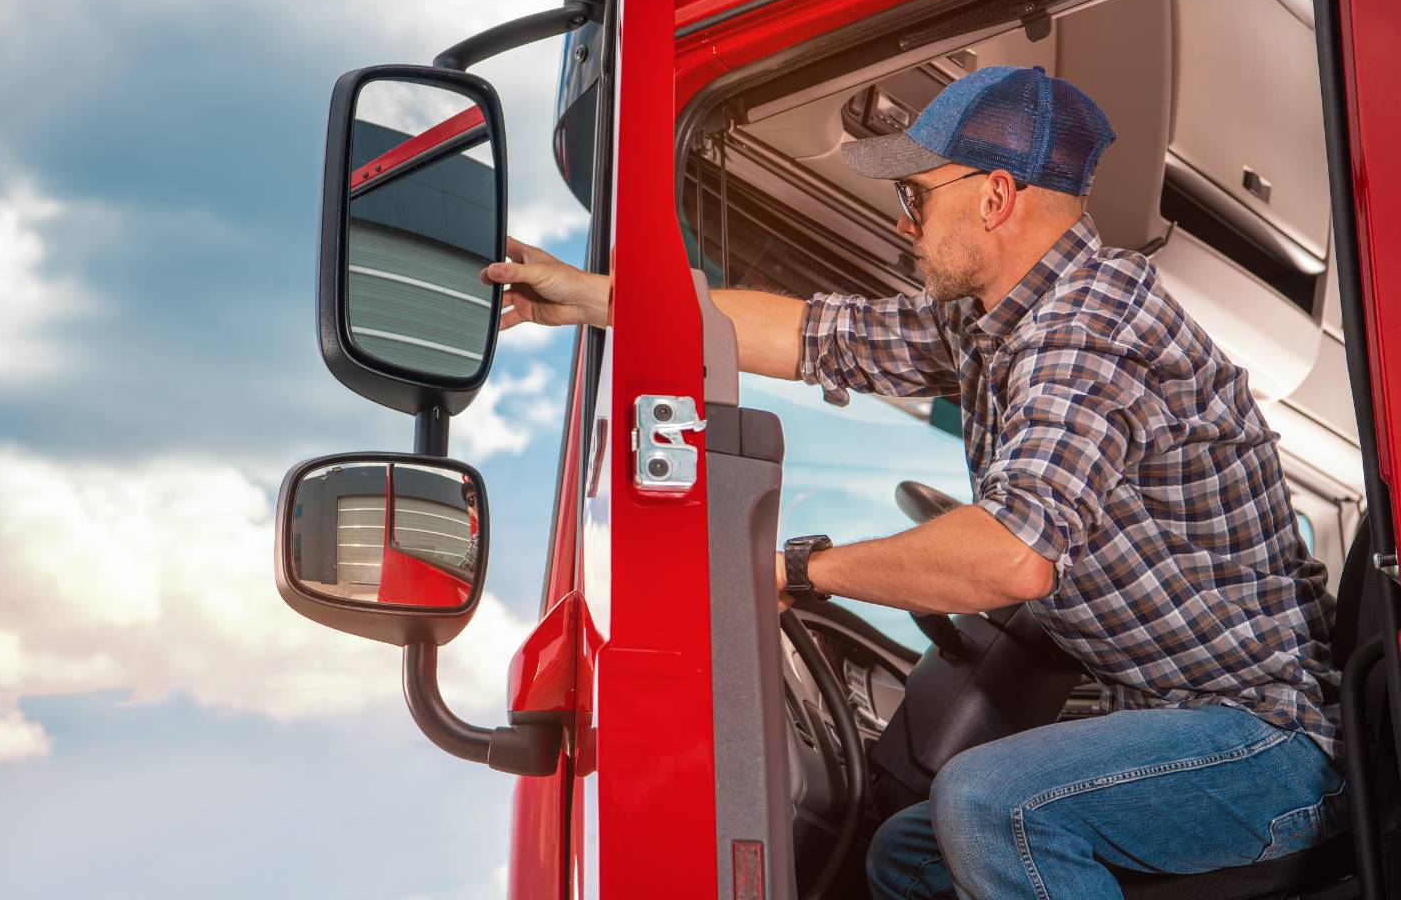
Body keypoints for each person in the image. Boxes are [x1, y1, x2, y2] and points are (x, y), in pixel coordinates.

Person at [481, 65, 1347, 899]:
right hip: (1177, 716)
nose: (905, 225)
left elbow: (1011, 559)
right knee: (909, 855)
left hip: (1265, 745)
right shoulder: (997, 322)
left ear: (996, 197)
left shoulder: (1091, 330)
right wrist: (593, 297)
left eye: (915, 197)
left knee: (990, 803)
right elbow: (811, 336)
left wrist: (798, 570)